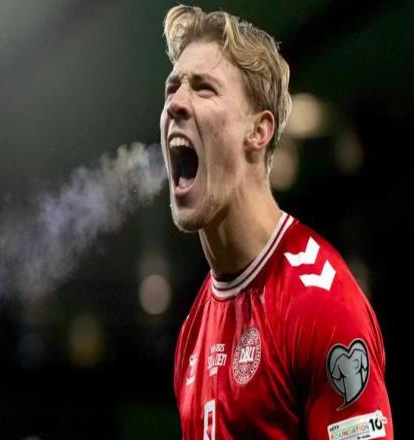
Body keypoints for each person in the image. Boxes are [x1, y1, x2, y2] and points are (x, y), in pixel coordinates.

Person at [159, 5, 393, 440]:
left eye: (204, 88)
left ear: (258, 131)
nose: (175, 103)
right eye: (172, 88)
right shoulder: (193, 330)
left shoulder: (321, 304)